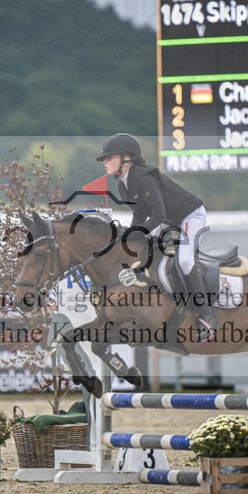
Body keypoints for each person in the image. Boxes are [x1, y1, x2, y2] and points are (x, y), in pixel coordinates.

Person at [96, 133, 215, 341]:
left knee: (184, 261)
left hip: (190, 215)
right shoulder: (124, 185)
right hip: (169, 219)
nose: (105, 162)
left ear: (126, 158)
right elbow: (140, 214)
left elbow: (158, 215)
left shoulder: (144, 179)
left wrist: (135, 232)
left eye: (109, 157)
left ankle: (207, 316)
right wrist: (129, 237)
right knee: (150, 254)